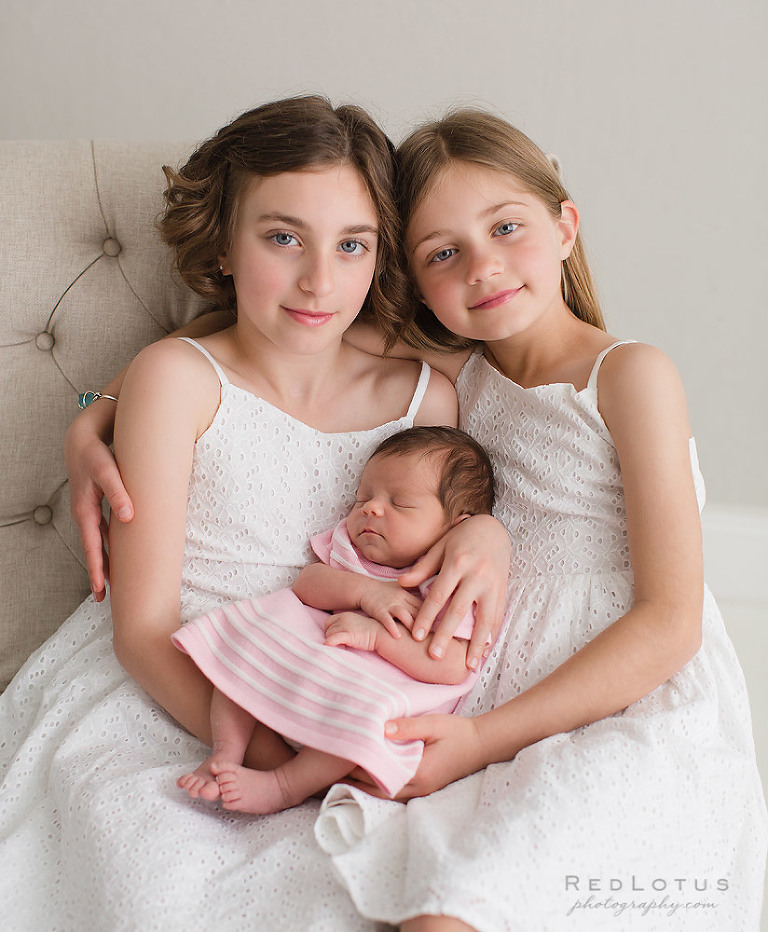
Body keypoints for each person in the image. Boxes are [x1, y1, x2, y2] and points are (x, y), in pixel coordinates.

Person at [0, 97, 510, 932]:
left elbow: (429, 558)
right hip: (183, 686)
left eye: (352, 245)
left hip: (347, 694)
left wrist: (488, 531)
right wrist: (286, 760)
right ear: (225, 245)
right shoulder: (178, 378)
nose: (320, 281)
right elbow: (141, 630)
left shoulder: (423, 394)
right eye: (283, 238)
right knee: (173, 883)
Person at [309, 110, 768, 930]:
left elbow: (670, 625)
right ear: (416, 283)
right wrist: (107, 403)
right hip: (489, 696)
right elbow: (289, 328)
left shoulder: (629, 376)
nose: (482, 267)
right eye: (443, 253)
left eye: (507, 227)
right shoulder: (458, 375)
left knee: (463, 909)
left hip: (626, 709)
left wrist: (484, 741)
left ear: (565, 226)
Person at [173, 425, 496, 813]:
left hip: (379, 687)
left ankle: (284, 785)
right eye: (364, 497)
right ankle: (225, 755)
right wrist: (365, 591)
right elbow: (307, 585)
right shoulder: (352, 547)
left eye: (401, 503)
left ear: (456, 526)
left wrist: (377, 637)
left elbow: (453, 665)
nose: (371, 508)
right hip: (318, 657)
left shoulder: (450, 581)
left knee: (369, 724)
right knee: (250, 641)